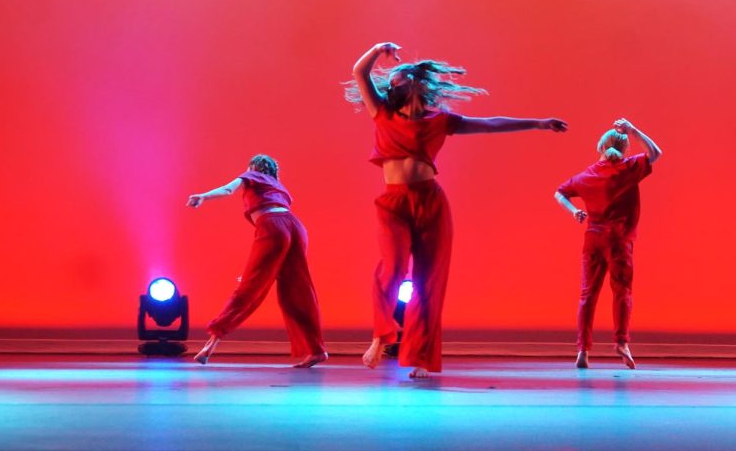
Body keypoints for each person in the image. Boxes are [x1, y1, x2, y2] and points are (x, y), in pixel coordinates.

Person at [345, 42, 568, 378]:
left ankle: (420, 356)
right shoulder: (382, 113)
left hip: (431, 201)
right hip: (393, 202)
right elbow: (359, 73)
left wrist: (537, 123)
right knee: (391, 266)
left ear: (415, 83)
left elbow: (490, 124)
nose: (391, 84)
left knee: (428, 279)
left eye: (398, 79)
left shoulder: (440, 120)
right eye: (390, 82)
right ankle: (381, 336)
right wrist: (379, 49)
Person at [187, 154, 328, 368]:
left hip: (273, 226)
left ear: (254, 166)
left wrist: (203, 196)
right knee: (298, 290)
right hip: (296, 228)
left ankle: (211, 343)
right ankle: (316, 350)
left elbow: (227, 190)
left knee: (249, 287)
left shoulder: (251, 175)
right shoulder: (279, 186)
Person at [554, 118, 662, 369]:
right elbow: (656, 153)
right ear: (623, 149)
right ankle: (621, 342)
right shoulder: (629, 167)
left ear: (600, 147)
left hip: (593, 240)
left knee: (587, 295)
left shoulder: (585, 176)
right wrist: (634, 130)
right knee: (622, 292)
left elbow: (558, 193)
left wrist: (573, 211)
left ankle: (583, 350)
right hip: (619, 242)